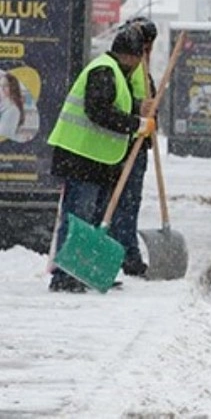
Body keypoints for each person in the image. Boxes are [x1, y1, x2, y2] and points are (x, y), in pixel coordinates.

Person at [46, 23, 156, 292]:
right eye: (136, 58)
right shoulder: (104, 71)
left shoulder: (116, 72)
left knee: (93, 219)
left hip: (96, 161)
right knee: (78, 217)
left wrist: (139, 114)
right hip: (80, 157)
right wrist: (135, 124)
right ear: (129, 56)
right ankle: (64, 275)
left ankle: (83, 271)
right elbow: (98, 111)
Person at [109, 17, 158, 278]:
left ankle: (125, 254)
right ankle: (127, 256)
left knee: (125, 203)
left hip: (134, 140)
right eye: (148, 46)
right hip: (128, 143)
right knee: (124, 203)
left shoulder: (138, 66)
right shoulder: (129, 65)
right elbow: (128, 101)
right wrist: (141, 118)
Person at [0, 71, 23, 140]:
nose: (2, 89)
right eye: (0, 86)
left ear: (12, 87)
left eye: (6, 86)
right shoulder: (3, 105)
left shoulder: (13, 110)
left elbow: (3, 133)